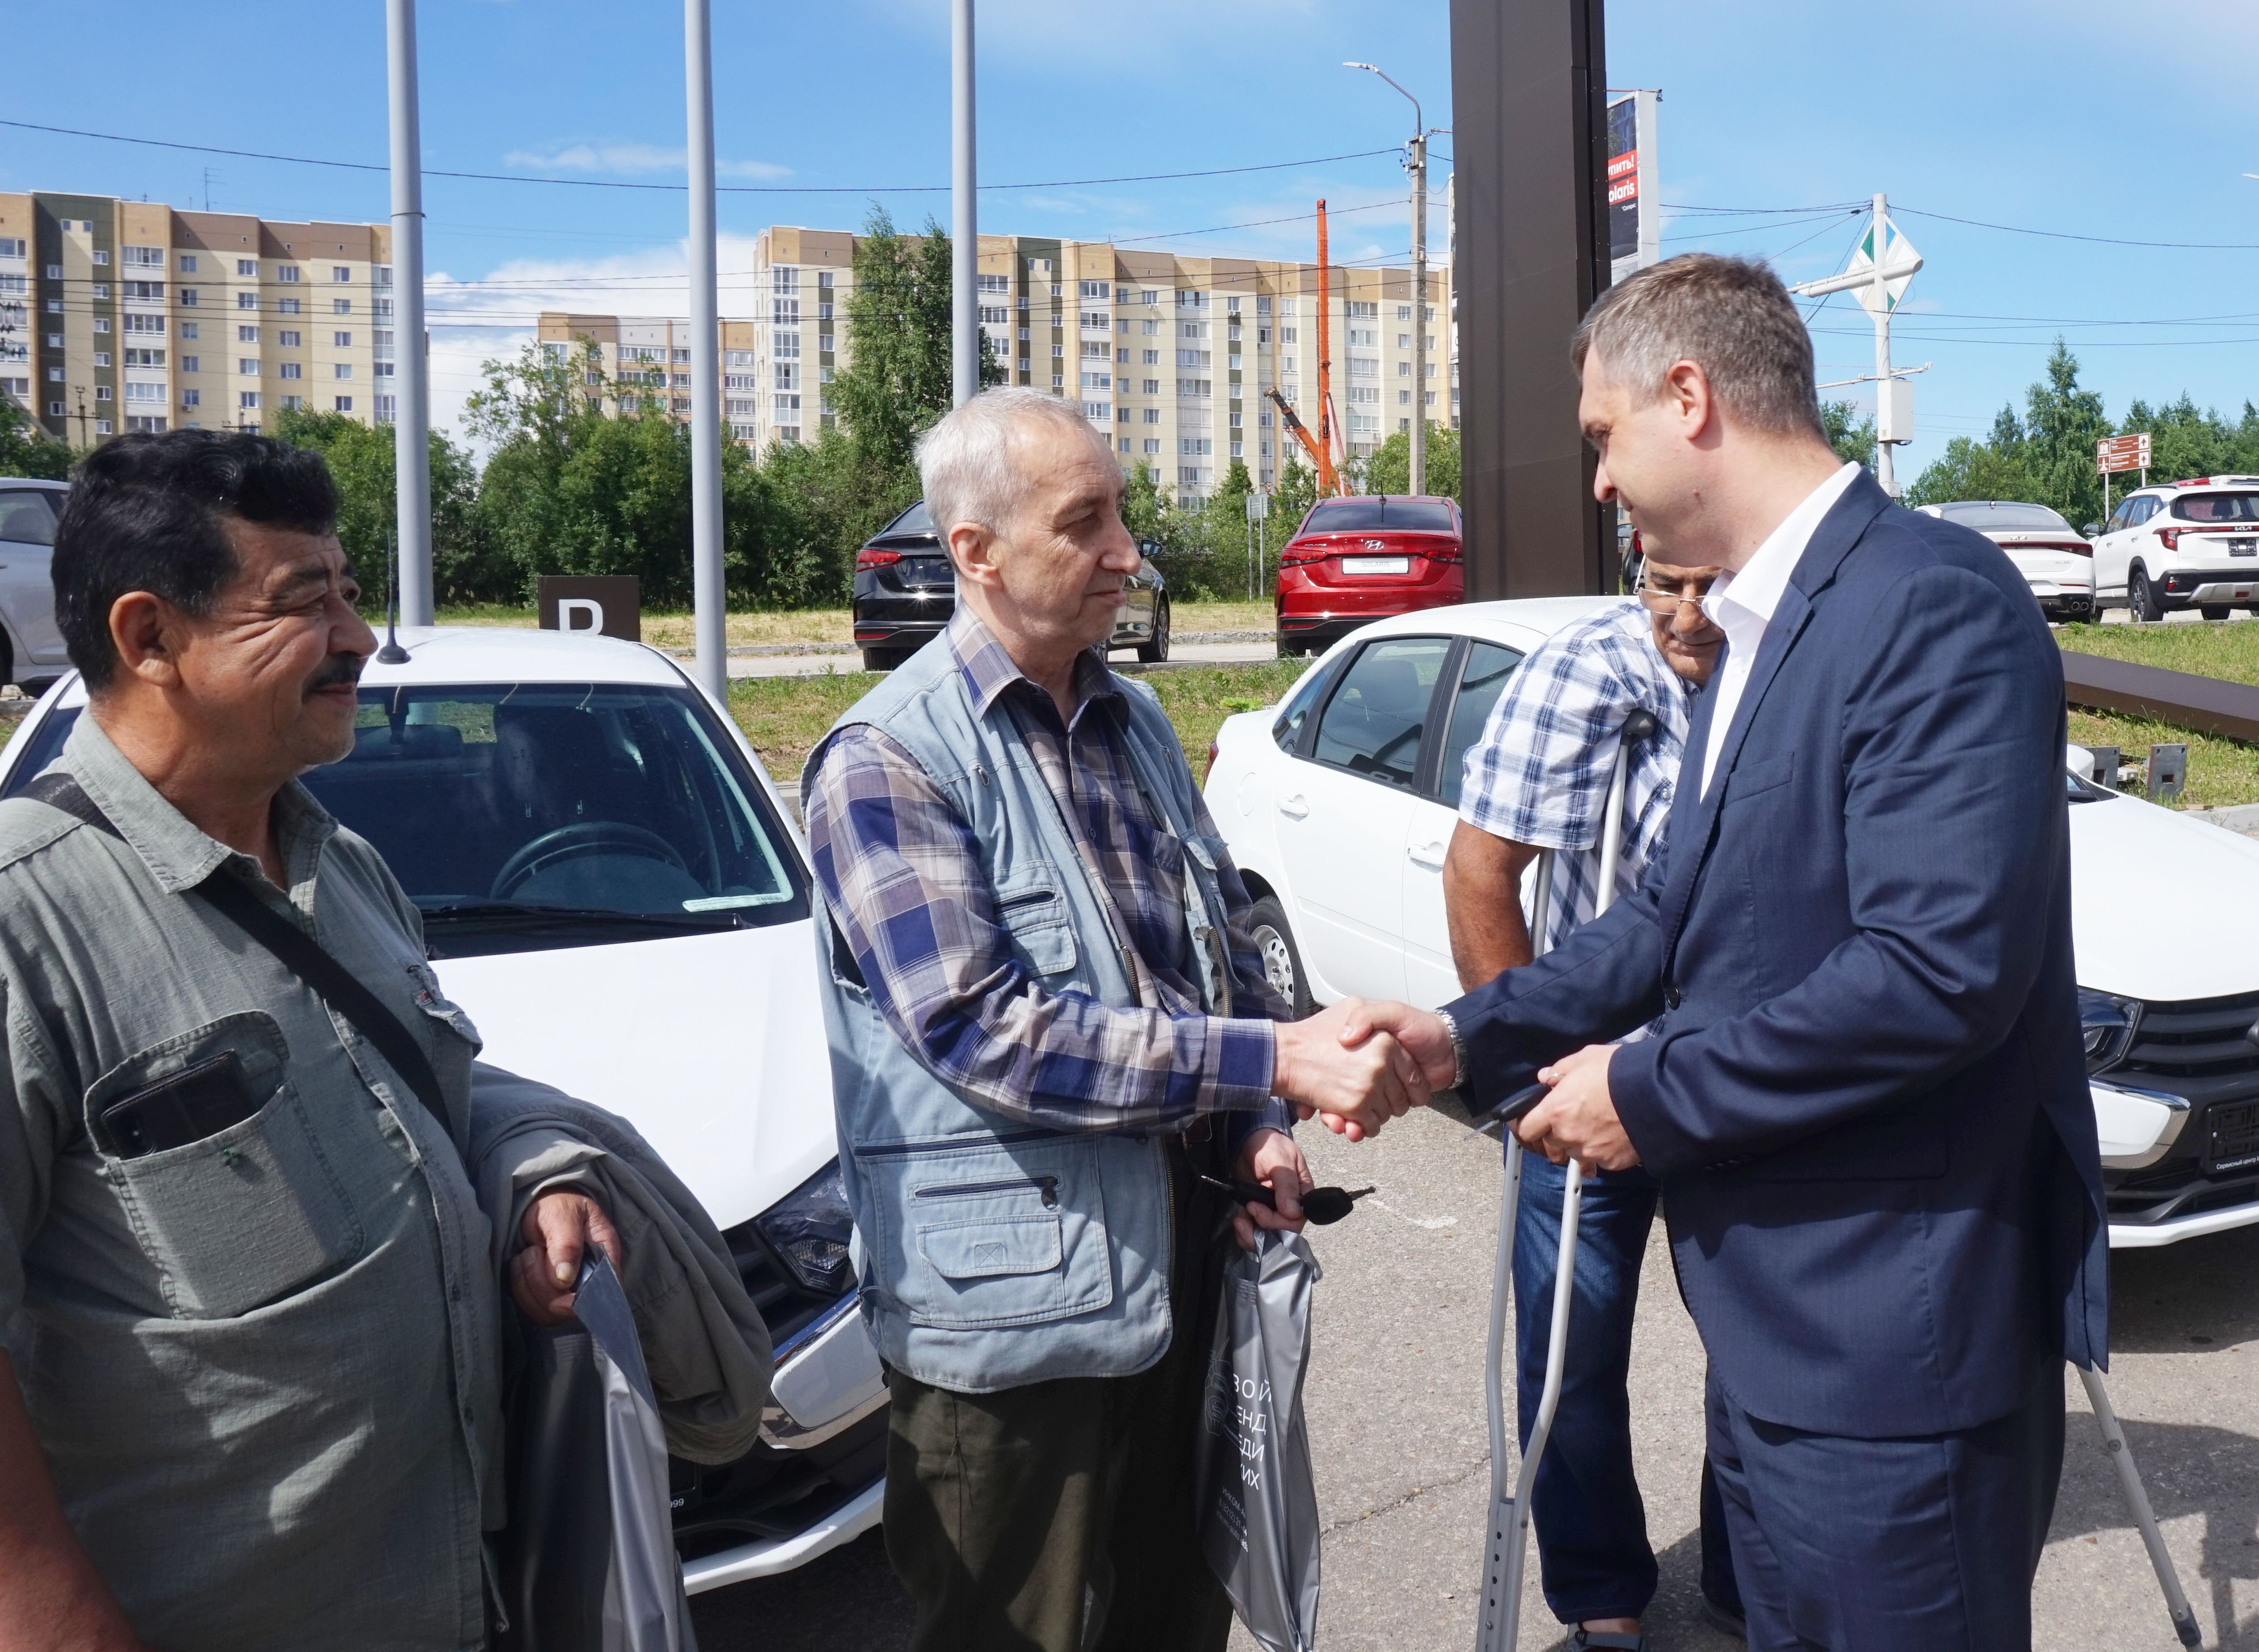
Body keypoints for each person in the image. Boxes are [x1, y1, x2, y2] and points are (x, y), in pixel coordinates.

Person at [1360, 254, 2107, 1649]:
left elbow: (1938, 971)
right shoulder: (1758, 623)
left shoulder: (1928, 602)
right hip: (1777, 1336)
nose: (1598, 482)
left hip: (1896, 1357)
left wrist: (1642, 1095)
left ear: (1688, 396)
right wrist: (1465, 1039)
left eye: (1602, 436)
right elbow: (1664, 917)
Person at [801, 387, 1426, 1652]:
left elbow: (1217, 945)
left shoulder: (1131, 718)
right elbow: (987, 1031)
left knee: (1174, 1622)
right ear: (974, 551)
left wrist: (1253, 1119)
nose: (1127, 552)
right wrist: (1280, 1057)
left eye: (1121, 513)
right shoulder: (889, 760)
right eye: (1084, 521)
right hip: (1017, 1339)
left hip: (1182, 1274)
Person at [0, 431, 619, 1651]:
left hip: (456, 1595)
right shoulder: (25, 918)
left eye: (350, 592)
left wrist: (533, 1164)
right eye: (301, 603)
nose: (359, 637)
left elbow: (424, 1085)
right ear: (148, 639)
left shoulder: (349, 868)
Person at [1442, 553, 1739, 1649]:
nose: (1690, 616)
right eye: (1667, 586)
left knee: (1758, 1343)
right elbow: (1480, 872)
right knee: (1570, 1346)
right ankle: (1602, 1601)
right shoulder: (1590, 671)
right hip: (1588, 1074)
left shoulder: (1780, 660)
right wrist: (1524, 1082)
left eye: (1718, 585)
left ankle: (1746, 1579)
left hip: (1730, 1079)